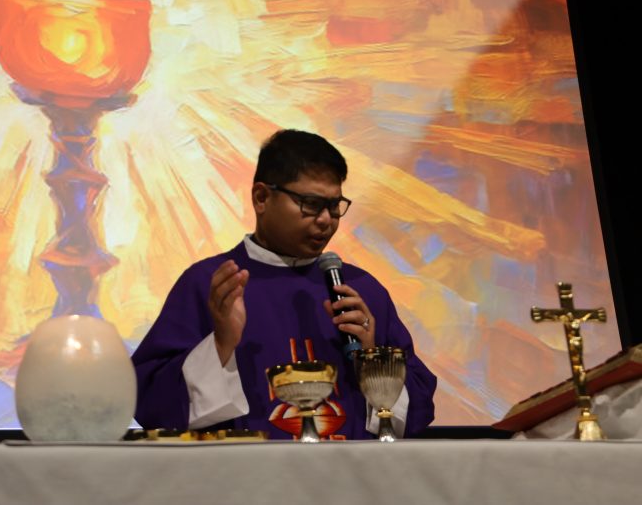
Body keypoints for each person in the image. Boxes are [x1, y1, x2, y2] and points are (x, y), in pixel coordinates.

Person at [131, 130, 436, 439]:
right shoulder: (212, 284)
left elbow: (420, 408)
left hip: (350, 467)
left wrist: (372, 360)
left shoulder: (362, 290)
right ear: (261, 197)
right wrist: (220, 346)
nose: (326, 219)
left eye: (334, 206)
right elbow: (151, 403)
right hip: (249, 468)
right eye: (311, 204)